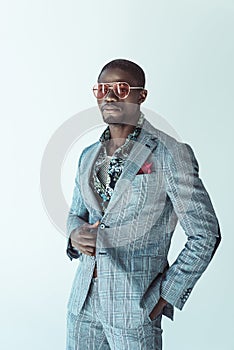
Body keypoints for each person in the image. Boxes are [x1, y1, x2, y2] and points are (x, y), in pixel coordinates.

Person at [65, 59, 221, 349]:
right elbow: (76, 214)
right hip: (83, 304)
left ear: (141, 95)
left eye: (121, 88)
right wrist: (74, 235)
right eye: (102, 89)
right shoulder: (87, 156)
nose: (109, 96)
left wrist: (163, 297)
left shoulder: (170, 154)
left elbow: (205, 235)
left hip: (135, 307)